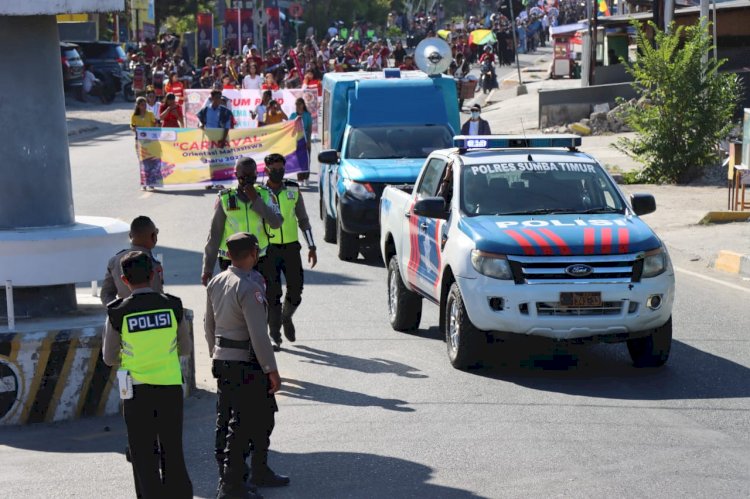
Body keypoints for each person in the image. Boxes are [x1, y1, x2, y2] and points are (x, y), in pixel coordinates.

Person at [103, 251, 193, 499]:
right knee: (172, 451)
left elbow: (109, 357)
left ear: (124, 279)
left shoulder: (116, 312)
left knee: (143, 455)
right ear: (154, 273)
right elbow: (185, 348)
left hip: (137, 392)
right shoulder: (173, 305)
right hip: (170, 388)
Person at [205, 233, 289, 498]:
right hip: (246, 363)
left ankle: (240, 475)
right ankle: (233, 485)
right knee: (243, 424)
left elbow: (209, 325)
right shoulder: (249, 287)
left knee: (227, 420)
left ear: (228, 255)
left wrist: (216, 353)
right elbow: (258, 333)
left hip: (224, 359)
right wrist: (271, 370)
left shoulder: (217, 281)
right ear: (254, 253)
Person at [261, 153, 317, 351]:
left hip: (292, 248)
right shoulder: (259, 192)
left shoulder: (293, 189)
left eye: (281, 169)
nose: (278, 172)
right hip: (269, 250)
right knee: (273, 294)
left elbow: (303, 219)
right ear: (266, 170)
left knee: (296, 289)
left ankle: (286, 317)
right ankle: (274, 334)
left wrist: (312, 246)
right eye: (274, 169)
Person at [201, 157, 283, 286]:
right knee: (234, 301)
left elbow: (276, 223)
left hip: (259, 258)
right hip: (231, 259)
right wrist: (208, 269)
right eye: (244, 175)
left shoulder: (266, 194)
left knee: (262, 300)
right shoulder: (225, 198)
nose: (248, 179)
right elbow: (215, 235)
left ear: (257, 173)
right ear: (236, 175)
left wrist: (255, 199)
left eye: (252, 175)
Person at [101, 216, 163, 306]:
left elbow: (106, 294)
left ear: (130, 236)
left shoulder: (114, 261)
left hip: (126, 313)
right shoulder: (153, 263)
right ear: (154, 237)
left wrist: (117, 310)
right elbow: (158, 293)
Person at [289, 98, 313, 186]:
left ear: (303, 105)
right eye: (296, 104)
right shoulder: (293, 115)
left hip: (306, 140)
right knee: (298, 161)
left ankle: (306, 178)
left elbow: (309, 129)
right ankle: (300, 179)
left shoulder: (307, 115)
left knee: (306, 160)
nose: (298, 106)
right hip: (296, 142)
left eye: (300, 104)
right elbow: (289, 127)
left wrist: (309, 142)